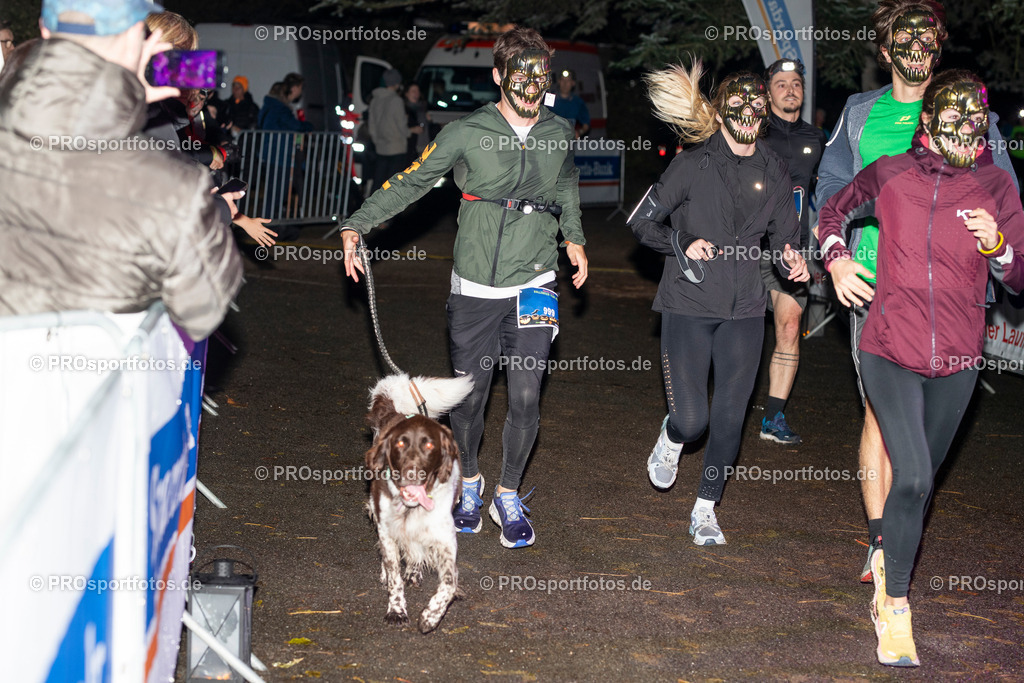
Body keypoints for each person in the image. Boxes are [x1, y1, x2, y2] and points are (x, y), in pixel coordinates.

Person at [341, 26, 588, 549]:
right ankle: (470, 483)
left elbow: (565, 183)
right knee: (469, 403)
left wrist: (574, 238)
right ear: (499, 76)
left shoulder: (559, 131)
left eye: (539, 75)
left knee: (525, 396)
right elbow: (412, 179)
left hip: (535, 281)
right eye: (520, 74)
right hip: (474, 287)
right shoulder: (466, 131)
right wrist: (357, 224)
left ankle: (508, 493)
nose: (531, 84)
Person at [819, 70, 1024, 667]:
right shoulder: (891, 173)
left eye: (976, 119)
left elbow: (1019, 275)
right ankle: (896, 606)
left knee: (923, 481)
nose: (968, 128)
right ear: (929, 123)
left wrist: (999, 249)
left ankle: (888, 551)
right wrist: (834, 262)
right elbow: (832, 210)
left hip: (959, 357)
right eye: (955, 117)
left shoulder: (994, 185)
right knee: (908, 477)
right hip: (887, 344)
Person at [628, 62, 809, 546]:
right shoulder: (691, 163)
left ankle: (705, 510)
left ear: (765, 112)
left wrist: (794, 258)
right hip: (689, 303)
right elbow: (643, 223)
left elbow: (784, 237)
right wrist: (682, 240)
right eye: (738, 102)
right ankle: (670, 439)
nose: (748, 111)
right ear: (722, 111)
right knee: (693, 421)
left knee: (730, 417)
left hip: (746, 309)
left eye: (756, 103)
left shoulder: (773, 167)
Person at [0, 0, 243, 342]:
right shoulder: (175, 189)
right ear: (137, 38)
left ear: (44, 29)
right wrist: (217, 210)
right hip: (92, 384)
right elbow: (202, 311)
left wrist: (124, 102)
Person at [758, 58, 826, 444]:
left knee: (788, 327)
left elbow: (838, 182)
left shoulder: (817, 138)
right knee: (737, 330)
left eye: (796, 83)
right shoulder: (752, 131)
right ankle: (694, 408)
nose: (790, 89)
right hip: (743, 248)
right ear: (768, 92)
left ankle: (773, 418)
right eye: (781, 83)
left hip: (791, 252)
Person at [368, 68, 421, 193]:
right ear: (397, 83)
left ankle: (371, 210)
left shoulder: (375, 99)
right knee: (393, 185)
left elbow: (372, 124)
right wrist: (409, 132)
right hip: (396, 147)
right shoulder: (396, 101)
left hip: (381, 147)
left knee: (378, 183)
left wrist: (376, 140)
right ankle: (390, 211)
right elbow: (401, 125)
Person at [548, 69, 590, 138]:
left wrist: (579, 132)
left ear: (573, 83)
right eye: (562, 80)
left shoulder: (577, 102)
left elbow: (586, 125)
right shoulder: (550, 98)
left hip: (569, 140)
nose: (565, 83)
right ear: (559, 81)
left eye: (568, 81)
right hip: (551, 139)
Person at [404, 82, 429, 162]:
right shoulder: (403, 109)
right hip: (410, 148)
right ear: (407, 94)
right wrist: (411, 129)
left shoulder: (423, 107)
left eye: (418, 91)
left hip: (424, 146)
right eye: (413, 91)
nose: (416, 93)